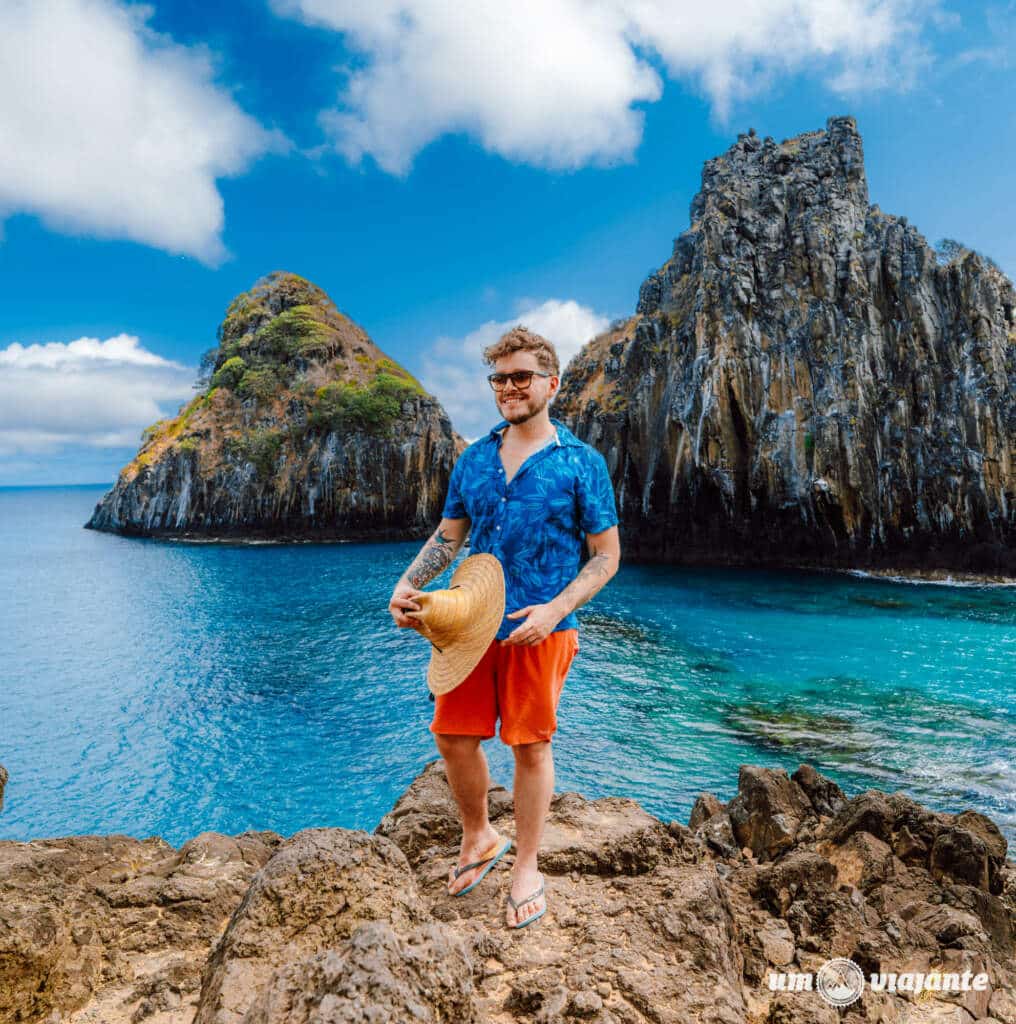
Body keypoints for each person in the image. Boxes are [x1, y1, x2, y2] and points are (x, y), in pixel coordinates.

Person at [388, 325, 620, 929]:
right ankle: (479, 837)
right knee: (452, 735)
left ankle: (526, 865)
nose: (510, 388)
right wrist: (409, 583)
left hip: (543, 626)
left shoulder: (581, 464)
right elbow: (449, 536)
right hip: (471, 619)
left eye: (522, 377)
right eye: (500, 379)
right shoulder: (474, 459)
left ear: (552, 383)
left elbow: (606, 556)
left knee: (531, 745)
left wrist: (553, 611)